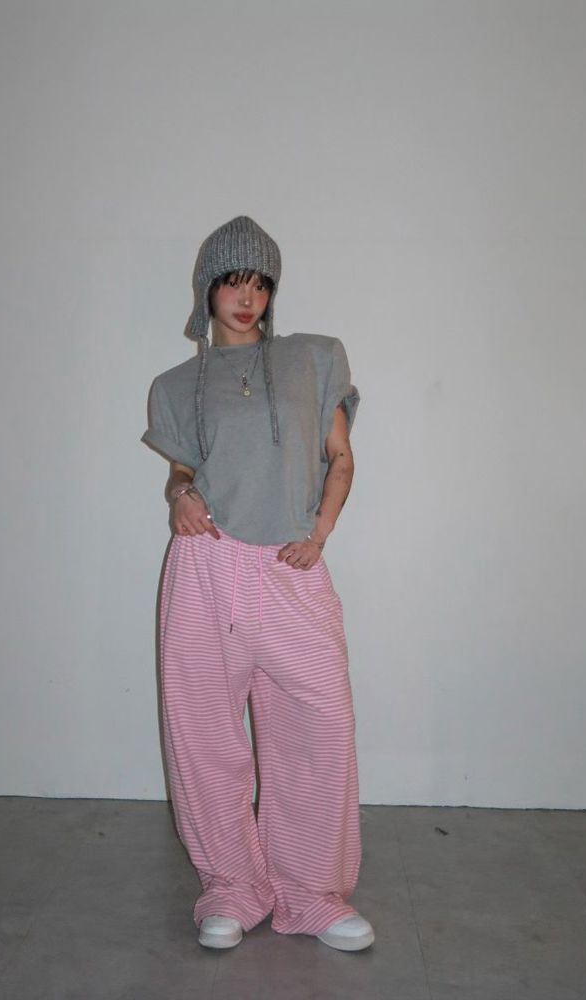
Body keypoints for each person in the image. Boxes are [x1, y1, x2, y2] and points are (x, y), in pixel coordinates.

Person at [141, 215, 375, 952]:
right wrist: (180, 495)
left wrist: (319, 535)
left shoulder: (313, 359)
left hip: (288, 566)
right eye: (232, 282)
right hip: (207, 565)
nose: (247, 298)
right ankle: (231, 886)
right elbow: (182, 471)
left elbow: (341, 458)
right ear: (206, 289)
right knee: (204, 733)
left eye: (260, 284)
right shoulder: (176, 384)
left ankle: (311, 892)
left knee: (320, 726)